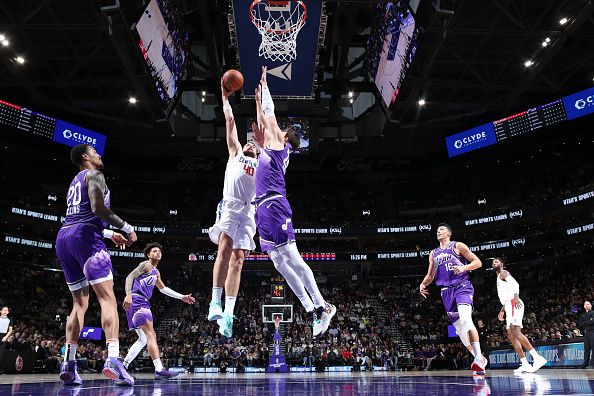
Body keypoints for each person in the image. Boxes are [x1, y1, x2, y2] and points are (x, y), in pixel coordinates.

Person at [251, 66, 335, 336]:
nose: (277, 129)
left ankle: (323, 306)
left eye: (281, 130)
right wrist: (257, 103)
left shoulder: (280, 144)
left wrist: (264, 85)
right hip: (262, 208)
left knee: (292, 257)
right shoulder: (271, 147)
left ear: (286, 137)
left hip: (275, 205)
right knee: (277, 261)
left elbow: (270, 115)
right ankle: (311, 310)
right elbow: (262, 124)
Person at [55, 144, 137, 386]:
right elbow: (97, 209)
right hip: (86, 239)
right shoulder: (95, 175)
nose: (99, 155)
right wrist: (127, 228)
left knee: (79, 304)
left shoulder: (73, 182)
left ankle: (68, 364)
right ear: (85, 157)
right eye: (95, 152)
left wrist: (111, 235)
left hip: (64, 238)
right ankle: (113, 360)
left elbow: (80, 215)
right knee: (107, 299)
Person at [207, 79, 259, 338]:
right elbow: (230, 124)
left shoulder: (262, 167)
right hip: (230, 206)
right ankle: (214, 302)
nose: (250, 144)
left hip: (249, 212)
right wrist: (226, 99)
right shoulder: (236, 153)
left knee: (238, 261)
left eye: (254, 145)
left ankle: (228, 313)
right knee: (225, 250)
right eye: (249, 143)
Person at [418, 223, 487, 373]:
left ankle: (478, 359)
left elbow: (478, 262)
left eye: (441, 229)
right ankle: (479, 356)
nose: (439, 231)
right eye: (437, 230)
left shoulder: (458, 246)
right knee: (461, 332)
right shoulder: (433, 253)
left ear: (448, 233)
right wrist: (422, 284)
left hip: (462, 286)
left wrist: (464, 267)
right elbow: (430, 276)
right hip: (446, 292)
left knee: (466, 320)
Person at [121, 242, 195, 381]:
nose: (158, 253)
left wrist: (182, 297)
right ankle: (159, 369)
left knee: (143, 339)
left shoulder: (156, 272)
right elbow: (129, 277)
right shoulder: (146, 265)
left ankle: (123, 367)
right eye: (154, 251)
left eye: (159, 251)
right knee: (151, 334)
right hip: (137, 300)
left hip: (140, 302)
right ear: (149, 255)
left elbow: (163, 289)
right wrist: (128, 294)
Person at [492, 258, 547, 373]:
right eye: (493, 262)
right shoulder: (498, 277)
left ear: (501, 264)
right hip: (508, 305)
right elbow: (507, 294)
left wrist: (516, 298)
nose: (494, 263)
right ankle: (525, 363)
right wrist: (502, 309)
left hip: (514, 303)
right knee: (511, 335)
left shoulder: (503, 272)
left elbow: (515, 284)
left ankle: (537, 358)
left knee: (516, 332)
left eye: (496, 262)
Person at [579, 300, 594, 368]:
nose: (586, 305)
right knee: (586, 348)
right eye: (585, 304)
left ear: (591, 305)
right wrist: (589, 321)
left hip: (593, 332)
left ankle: (592, 364)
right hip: (586, 333)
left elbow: (593, 321)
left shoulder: (593, 312)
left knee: (593, 348)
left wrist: (585, 322)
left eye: (588, 304)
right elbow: (580, 324)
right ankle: (585, 363)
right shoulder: (582, 314)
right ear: (584, 307)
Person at [0, 307, 13, 374]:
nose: (6, 311)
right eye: (4, 310)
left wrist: (6, 337)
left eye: (7, 310)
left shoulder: (9, 319)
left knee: (1, 353)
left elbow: (10, 330)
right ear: (1, 311)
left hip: (4, 336)